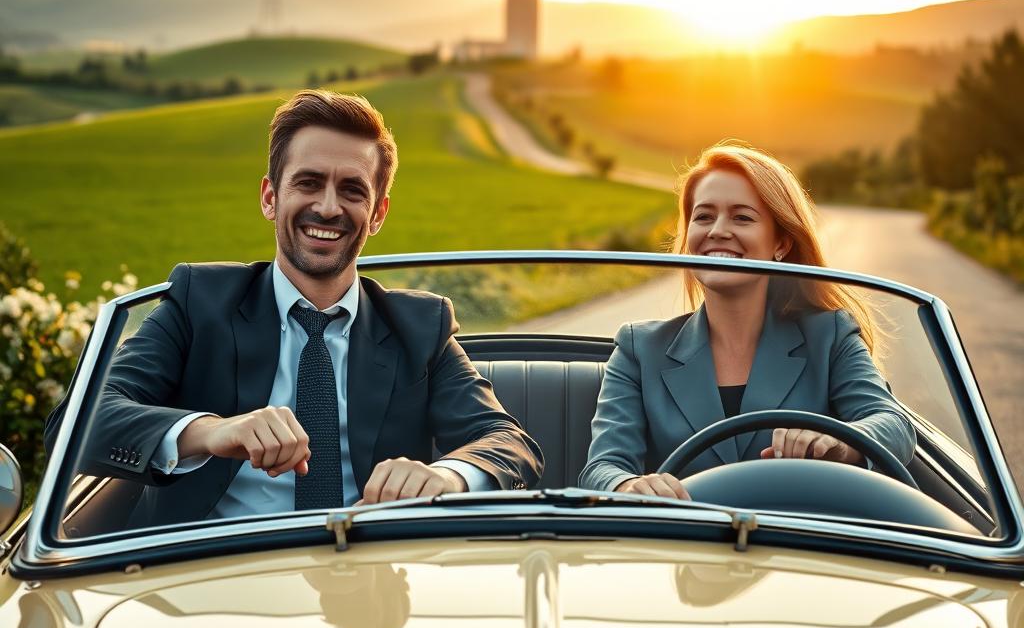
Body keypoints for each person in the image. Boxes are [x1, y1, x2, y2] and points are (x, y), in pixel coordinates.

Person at [46, 90, 542, 525]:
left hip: (368, 579)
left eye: (352, 190)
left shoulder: (420, 326)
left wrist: (444, 476)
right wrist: (213, 431)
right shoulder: (199, 301)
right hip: (208, 573)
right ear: (270, 196)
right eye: (308, 182)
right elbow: (76, 421)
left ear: (378, 213)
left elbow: (507, 442)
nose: (328, 207)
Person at [579, 141, 915, 497]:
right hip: (683, 544)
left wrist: (841, 443)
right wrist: (630, 483)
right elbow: (603, 467)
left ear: (781, 244)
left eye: (742, 217)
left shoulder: (829, 335)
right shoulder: (640, 348)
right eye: (704, 216)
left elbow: (894, 425)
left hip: (798, 543)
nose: (718, 231)